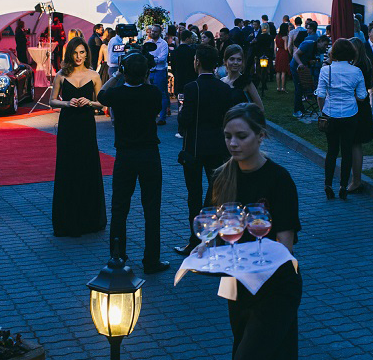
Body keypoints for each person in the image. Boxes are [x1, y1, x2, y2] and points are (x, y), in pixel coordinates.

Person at [208, 103, 301, 360]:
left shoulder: (279, 179)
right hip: (237, 285)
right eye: (227, 136)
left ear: (260, 136)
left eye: (241, 136)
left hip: (276, 286)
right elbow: (212, 232)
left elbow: (285, 245)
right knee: (248, 353)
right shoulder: (222, 177)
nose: (233, 143)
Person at [97, 52, 169, 274]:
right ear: (147, 73)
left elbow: (101, 95)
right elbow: (155, 105)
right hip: (149, 153)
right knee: (152, 207)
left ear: (124, 72)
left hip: (125, 155)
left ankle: (117, 255)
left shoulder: (117, 94)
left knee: (120, 207)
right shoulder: (153, 93)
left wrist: (117, 75)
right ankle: (151, 259)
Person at [175, 45, 233, 255]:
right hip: (218, 147)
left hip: (195, 147)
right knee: (216, 194)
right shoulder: (224, 88)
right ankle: (215, 237)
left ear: (197, 61)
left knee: (194, 194)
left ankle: (195, 239)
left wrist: (181, 111)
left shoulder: (192, 88)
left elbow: (185, 119)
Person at [49, 37, 106, 237]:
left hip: (86, 125)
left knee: (87, 165)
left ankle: (89, 219)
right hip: (68, 126)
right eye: (75, 53)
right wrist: (67, 103)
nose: (79, 56)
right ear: (70, 54)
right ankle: (67, 220)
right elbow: (52, 101)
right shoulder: (61, 75)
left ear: (87, 54)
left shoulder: (95, 76)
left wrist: (89, 102)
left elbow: (102, 104)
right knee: (68, 167)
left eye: (82, 52)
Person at [315, 39, 368, 200]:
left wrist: (323, 110)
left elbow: (320, 95)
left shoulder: (326, 70)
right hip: (350, 114)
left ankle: (328, 184)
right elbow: (362, 96)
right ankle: (344, 185)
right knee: (346, 152)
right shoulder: (356, 71)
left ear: (334, 53)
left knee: (331, 150)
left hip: (331, 113)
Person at [348, 38, 373, 194]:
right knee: (355, 144)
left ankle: (356, 180)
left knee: (355, 144)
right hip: (362, 107)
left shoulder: (357, 67)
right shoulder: (367, 63)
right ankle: (355, 179)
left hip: (357, 107)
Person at [289, 23, 324, 117]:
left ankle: (302, 109)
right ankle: (296, 111)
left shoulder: (316, 49)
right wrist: (300, 63)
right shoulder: (308, 44)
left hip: (302, 67)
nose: (324, 48)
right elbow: (295, 54)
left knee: (302, 88)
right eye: (324, 45)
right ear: (319, 41)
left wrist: (309, 62)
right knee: (298, 87)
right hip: (295, 66)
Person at [221, 44, 264, 112]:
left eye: (239, 59)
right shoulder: (222, 81)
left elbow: (260, 108)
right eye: (232, 59)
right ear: (225, 61)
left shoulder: (246, 82)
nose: (235, 62)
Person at [147, 24, 170, 126]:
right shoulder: (148, 43)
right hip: (150, 70)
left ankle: (162, 117)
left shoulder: (163, 43)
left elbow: (162, 58)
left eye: (155, 31)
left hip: (160, 71)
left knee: (162, 93)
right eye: (152, 31)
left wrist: (152, 59)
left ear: (159, 33)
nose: (153, 33)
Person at [171, 30, 197, 104]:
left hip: (179, 81)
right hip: (190, 79)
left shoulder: (174, 52)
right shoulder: (192, 51)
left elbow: (173, 67)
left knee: (181, 103)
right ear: (187, 39)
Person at [274, 23, 291, 93]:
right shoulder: (285, 37)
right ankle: (283, 88)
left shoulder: (277, 36)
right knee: (283, 71)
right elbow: (286, 47)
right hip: (284, 53)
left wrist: (275, 55)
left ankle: (278, 87)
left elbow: (275, 48)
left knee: (278, 71)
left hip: (278, 53)